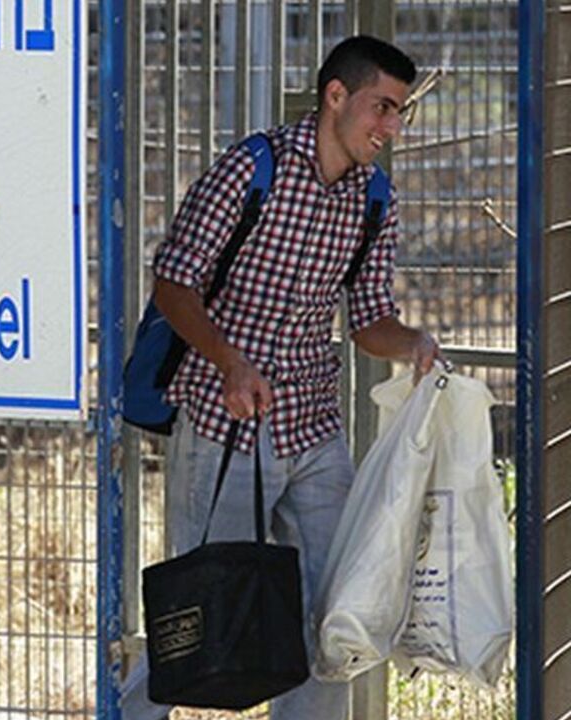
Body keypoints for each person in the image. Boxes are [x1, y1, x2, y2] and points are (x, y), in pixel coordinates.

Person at [122, 35, 441, 720]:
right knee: (204, 610)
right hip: (223, 428)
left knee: (337, 616)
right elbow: (175, 284)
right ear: (335, 96)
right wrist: (230, 361)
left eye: (399, 113)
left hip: (315, 433)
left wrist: (413, 343)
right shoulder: (251, 169)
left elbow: (368, 320)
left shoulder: (374, 197)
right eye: (381, 108)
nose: (390, 128)